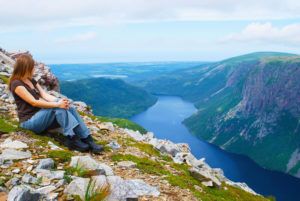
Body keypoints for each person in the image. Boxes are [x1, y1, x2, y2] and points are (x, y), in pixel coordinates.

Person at [8, 55, 103, 153]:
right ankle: (72, 138)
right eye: (32, 66)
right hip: (29, 122)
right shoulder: (16, 83)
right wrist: (57, 104)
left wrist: (61, 101)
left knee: (70, 108)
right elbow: (34, 102)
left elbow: (44, 95)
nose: (33, 69)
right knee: (58, 108)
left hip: (41, 118)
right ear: (25, 68)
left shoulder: (30, 80)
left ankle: (87, 139)